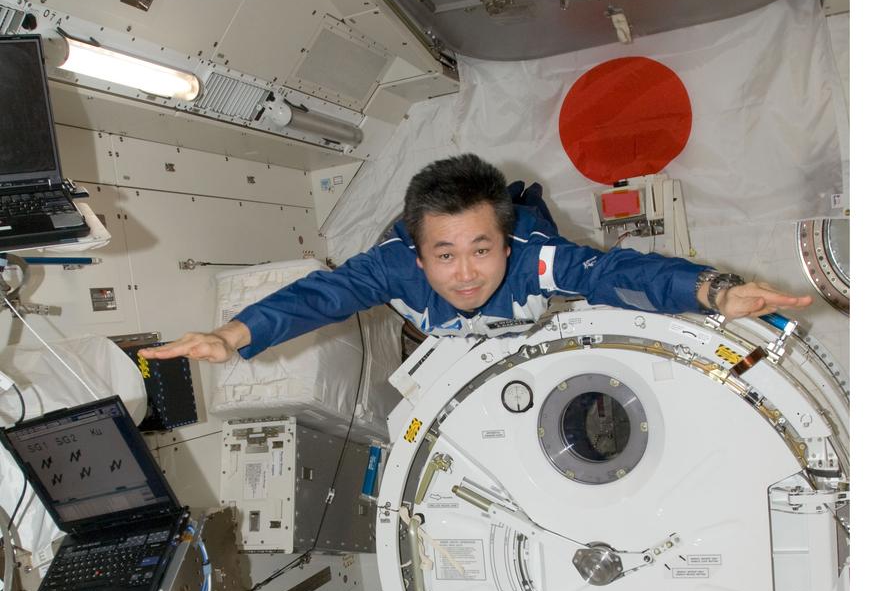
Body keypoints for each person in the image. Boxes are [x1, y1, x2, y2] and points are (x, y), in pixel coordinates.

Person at [140, 154, 811, 365]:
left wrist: (712, 291)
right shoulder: (392, 267)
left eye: (480, 250)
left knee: (582, 272)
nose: (464, 272)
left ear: (504, 243)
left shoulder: (532, 258)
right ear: (417, 250)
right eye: (445, 254)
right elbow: (318, 296)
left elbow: (615, 274)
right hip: (452, 344)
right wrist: (233, 334)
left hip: (528, 309)